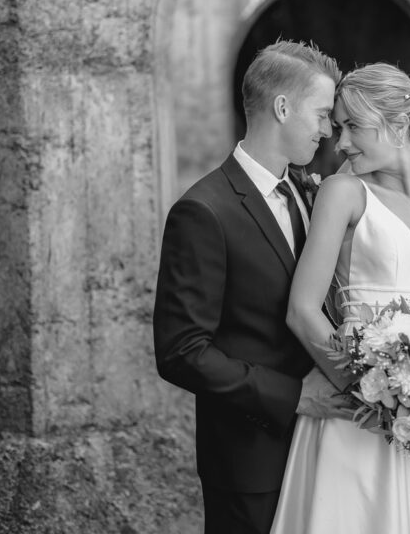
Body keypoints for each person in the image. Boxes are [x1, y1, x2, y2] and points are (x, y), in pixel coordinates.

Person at [270, 63, 410, 533]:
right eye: (338, 126)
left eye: (354, 127)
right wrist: (377, 396)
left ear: (401, 123)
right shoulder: (343, 193)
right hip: (356, 415)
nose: (341, 143)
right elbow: (302, 310)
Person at [153, 40, 356, 534]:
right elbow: (181, 351)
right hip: (249, 461)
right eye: (323, 114)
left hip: (324, 450)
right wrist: (292, 396)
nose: (329, 131)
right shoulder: (203, 211)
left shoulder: (312, 193)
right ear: (283, 108)